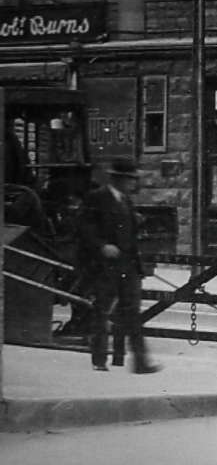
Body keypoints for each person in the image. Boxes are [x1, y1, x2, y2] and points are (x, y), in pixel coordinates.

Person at [79, 158, 161, 374]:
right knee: (102, 312)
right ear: (117, 179)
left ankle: (141, 362)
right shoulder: (96, 198)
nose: (132, 184)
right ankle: (99, 360)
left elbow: (131, 237)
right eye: (129, 180)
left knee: (133, 313)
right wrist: (101, 246)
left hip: (128, 266)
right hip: (106, 266)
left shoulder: (126, 201)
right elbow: (84, 228)